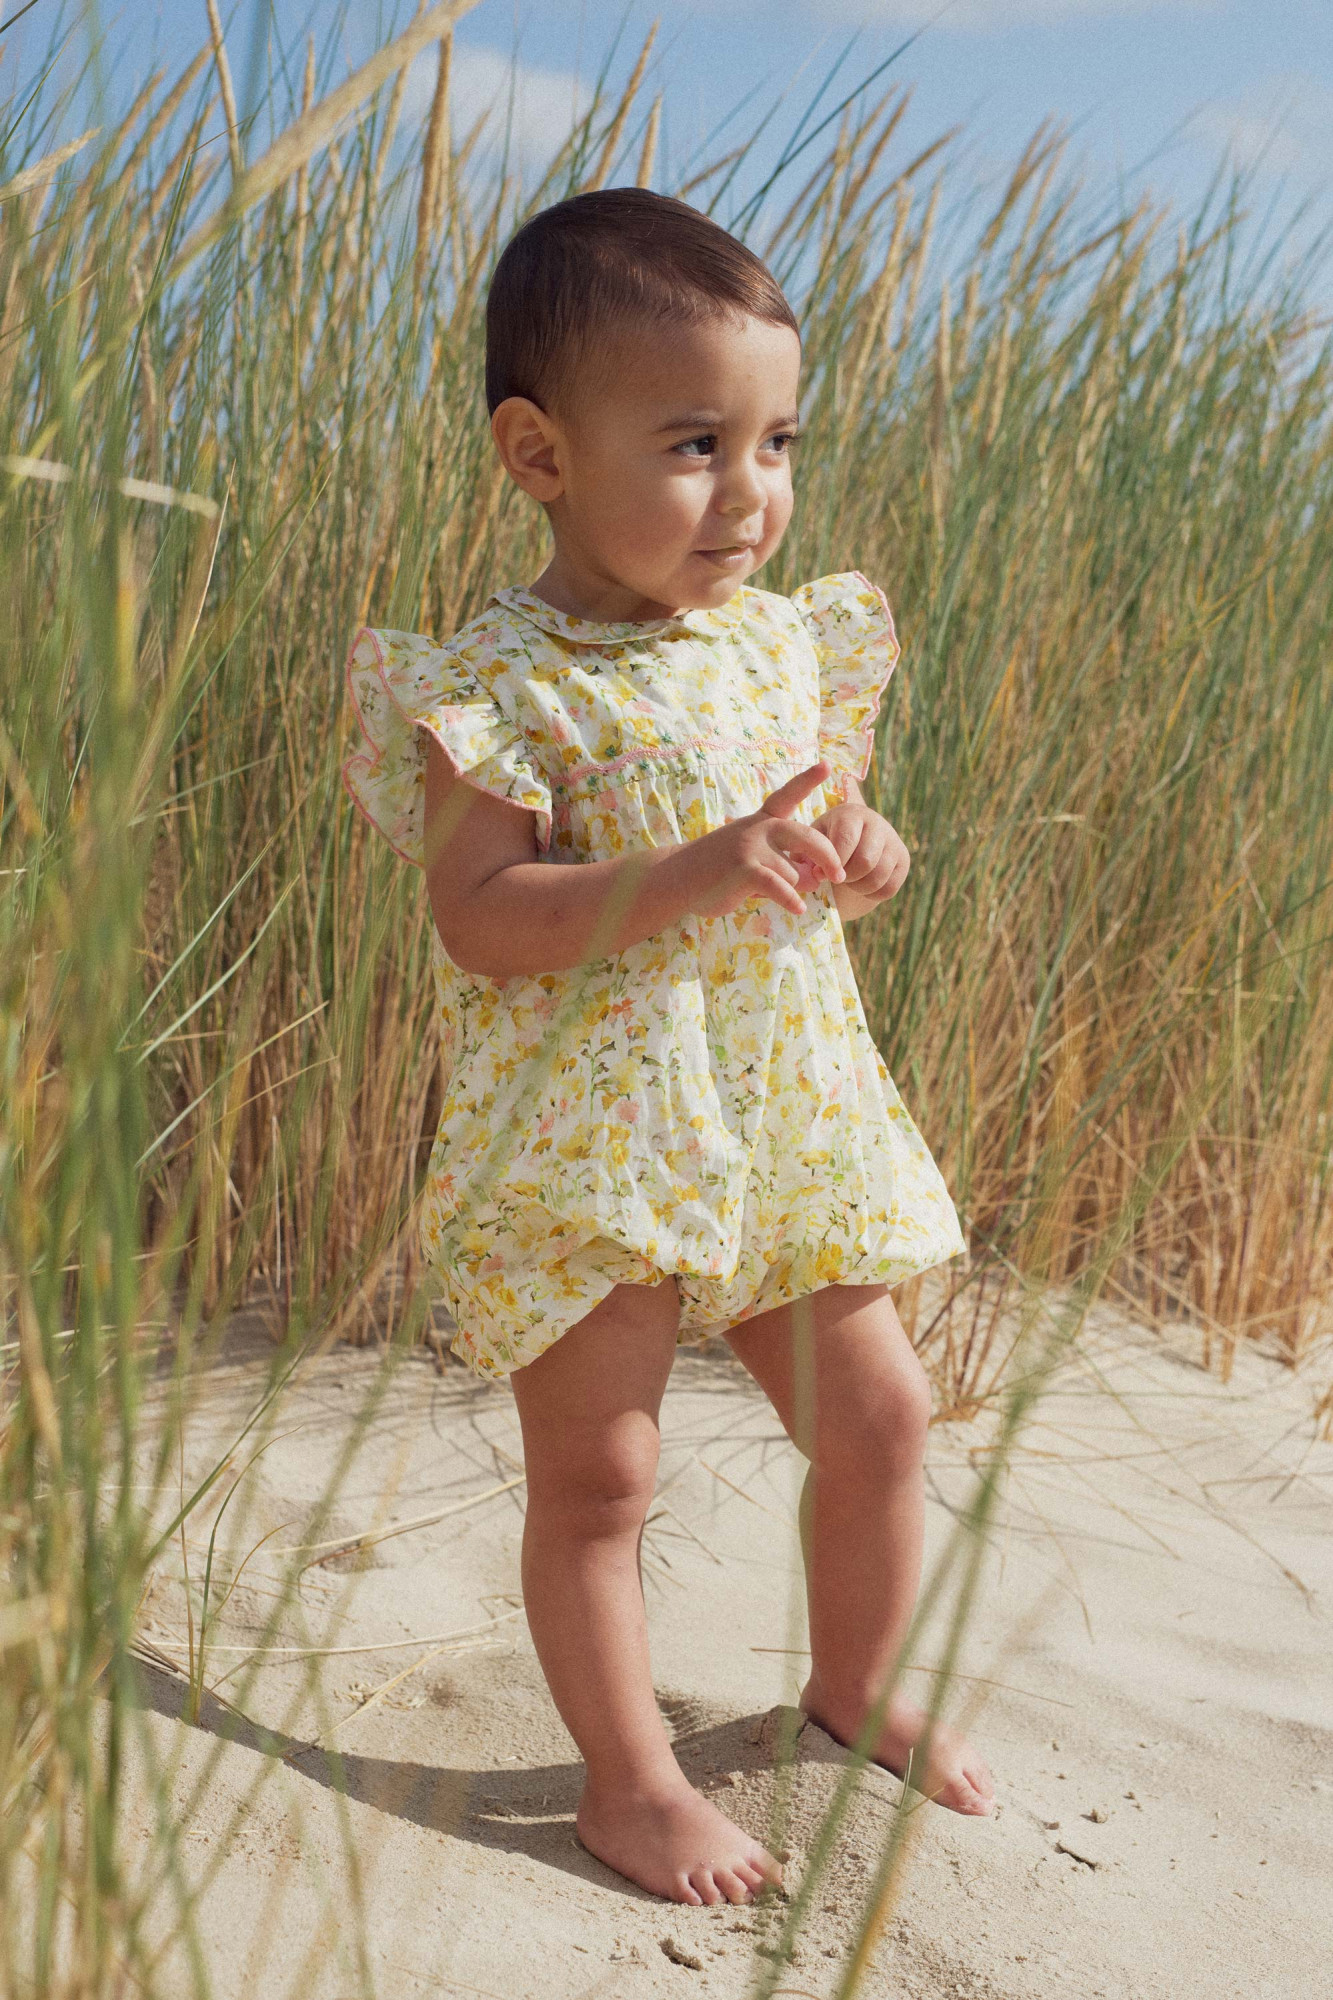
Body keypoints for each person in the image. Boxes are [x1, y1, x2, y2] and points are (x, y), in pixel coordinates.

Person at [342, 186, 995, 1909]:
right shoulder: (501, 682)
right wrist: (696, 870)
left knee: (881, 1415)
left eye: (778, 441)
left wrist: (861, 851)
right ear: (539, 453)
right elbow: (481, 916)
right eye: (697, 444)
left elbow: (816, 835)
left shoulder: (779, 641)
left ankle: (854, 1683)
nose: (752, 490)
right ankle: (626, 1786)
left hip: (779, 1104)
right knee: (603, 1473)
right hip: (595, 1129)